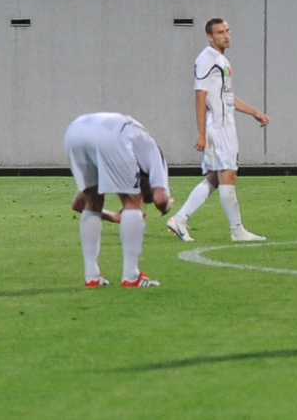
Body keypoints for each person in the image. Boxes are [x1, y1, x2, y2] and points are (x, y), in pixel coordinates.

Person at [166, 18, 271, 243]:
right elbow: (200, 96)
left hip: (225, 124)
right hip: (219, 127)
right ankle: (237, 230)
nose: (226, 35)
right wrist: (201, 133)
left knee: (214, 178)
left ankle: (180, 219)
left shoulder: (220, 60)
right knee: (228, 175)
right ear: (210, 36)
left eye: (227, 30)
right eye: (221, 32)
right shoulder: (207, 59)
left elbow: (227, 97)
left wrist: (254, 112)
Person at [65, 112, 171, 288]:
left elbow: (78, 204)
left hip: (75, 131)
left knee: (93, 201)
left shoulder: (137, 146)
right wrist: (166, 207)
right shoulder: (154, 152)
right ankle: (131, 276)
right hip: (113, 134)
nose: (145, 199)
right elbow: (160, 199)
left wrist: (112, 216)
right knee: (132, 200)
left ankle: (91, 276)